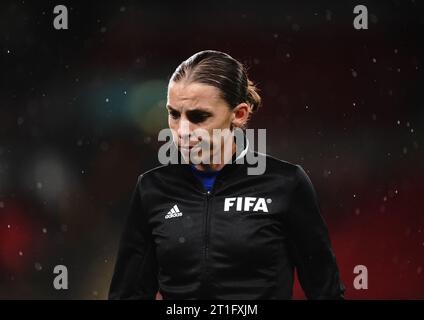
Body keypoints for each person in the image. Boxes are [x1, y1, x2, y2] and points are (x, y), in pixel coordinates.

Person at [109, 50, 345, 299]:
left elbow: (326, 293)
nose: (183, 130)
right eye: (174, 114)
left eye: (199, 116)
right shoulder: (152, 189)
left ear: (239, 114)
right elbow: (128, 295)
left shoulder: (285, 184)